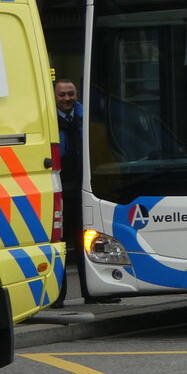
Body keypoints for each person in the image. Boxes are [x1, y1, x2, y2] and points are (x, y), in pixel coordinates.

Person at [50, 79, 116, 306]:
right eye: (62, 95)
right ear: (54, 96)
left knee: (87, 243)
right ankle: (56, 297)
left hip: (84, 189)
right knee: (59, 246)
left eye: (71, 94)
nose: (67, 98)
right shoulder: (48, 120)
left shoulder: (86, 119)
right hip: (58, 191)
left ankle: (94, 292)